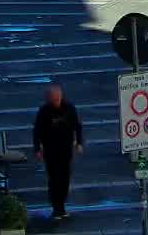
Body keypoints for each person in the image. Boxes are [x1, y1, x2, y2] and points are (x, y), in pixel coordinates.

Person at [32, 84, 83, 221]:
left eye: (56, 99)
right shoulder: (44, 111)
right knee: (54, 178)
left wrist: (79, 143)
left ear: (60, 97)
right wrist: (37, 148)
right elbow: (37, 130)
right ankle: (57, 207)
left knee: (65, 177)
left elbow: (77, 126)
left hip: (65, 148)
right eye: (52, 100)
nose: (54, 102)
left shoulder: (69, 108)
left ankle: (61, 205)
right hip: (50, 149)